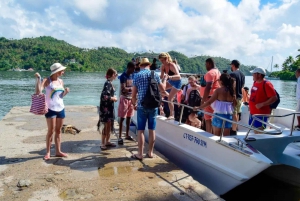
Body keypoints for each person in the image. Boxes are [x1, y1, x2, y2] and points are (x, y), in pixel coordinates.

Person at [131, 58, 166, 160]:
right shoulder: (154, 74)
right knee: (152, 130)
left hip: (142, 106)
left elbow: (133, 94)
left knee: (141, 130)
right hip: (153, 106)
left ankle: (140, 154)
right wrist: (165, 79)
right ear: (149, 65)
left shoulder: (137, 75)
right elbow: (162, 89)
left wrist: (134, 104)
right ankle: (150, 152)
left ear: (141, 65)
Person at [34, 63, 70, 160]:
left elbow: (60, 96)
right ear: (56, 71)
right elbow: (38, 92)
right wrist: (38, 80)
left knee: (58, 131)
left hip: (61, 108)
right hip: (50, 109)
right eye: (62, 70)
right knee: (51, 131)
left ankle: (58, 151)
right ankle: (48, 152)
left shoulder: (61, 81)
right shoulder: (47, 80)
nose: (63, 72)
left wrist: (65, 92)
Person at [249, 67, 277, 134]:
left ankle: (259, 144)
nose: (252, 75)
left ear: (259, 75)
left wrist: (262, 104)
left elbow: (274, 97)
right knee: (254, 130)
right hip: (253, 113)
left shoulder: (266, 84)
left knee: (259, 132)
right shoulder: (255, 82)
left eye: (254, 73)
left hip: (261, 114)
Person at [99, 68, 118, 150]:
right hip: (106, 108)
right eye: (115, 74)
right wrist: (113, 98)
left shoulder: (109, 83)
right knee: (106, 125)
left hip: (109, 108)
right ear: (112, 75)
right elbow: (104, 96)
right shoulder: (108, 84)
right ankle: (103, 143)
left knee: (109, 125)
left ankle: (107, 141)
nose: (116, 76)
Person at [159, 52, 182, 120]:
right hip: (171, 81)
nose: (162, 62)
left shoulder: (172, 65)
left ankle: (172, 115)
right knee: (160, 89)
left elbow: (179, 76)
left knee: (169, 99)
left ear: (166, 58)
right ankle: (169, 96)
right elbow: (161, 76)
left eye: (162, 60)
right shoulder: (162, 66)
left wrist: (169, 77)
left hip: (177, 82)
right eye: (161, 61)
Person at [118, 62, 135, 145]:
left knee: (129, 118)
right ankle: (120, 136)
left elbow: (129, 88)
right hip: (124, 98)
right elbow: (123, 89)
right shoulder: (123, 76)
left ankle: (127, 135)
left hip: (131, 99)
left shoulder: (133, 75)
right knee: (122, 118)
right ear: (129, 67)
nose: (133, 70)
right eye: (132, 68)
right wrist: (132, 88)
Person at [201, 58, 221, 133]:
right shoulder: (218, 72)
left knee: (208, 118)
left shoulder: (210, 73)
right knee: (212, 117)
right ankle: (212, 134)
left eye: (206, 64)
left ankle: (209, 134)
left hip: (209, 98)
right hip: (216, 98)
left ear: (209, 63)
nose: (205, 66)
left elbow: (208, 87)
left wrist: (203, 100)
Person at [229, 60, 245, 135]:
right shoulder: (242, 75)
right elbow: (242, 86)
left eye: (231, 65)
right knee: (237, 113)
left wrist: (233, 96)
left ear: (233, 65)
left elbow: (232, 86)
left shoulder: (232, 74)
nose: (230, 67)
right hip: (240, 96)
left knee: (234, 113)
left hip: (234, 97)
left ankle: (233, 130)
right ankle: (236, 127)